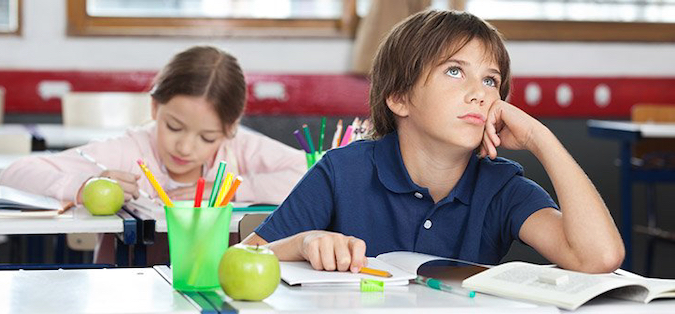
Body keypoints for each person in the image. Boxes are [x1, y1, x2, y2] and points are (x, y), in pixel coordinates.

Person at [242, 10, 625, 274]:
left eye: (491, 81)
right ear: (400, 98)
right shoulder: (343, 170)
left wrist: (541, 139)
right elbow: (242, 260)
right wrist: (304, 243)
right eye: (455, 71)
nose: (479, 93)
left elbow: (600, 256)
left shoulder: (502, 187)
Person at [0, 46, 307, 264]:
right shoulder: (129, 149)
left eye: (207, 137)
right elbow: (14, 174)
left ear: (230, 129)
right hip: (126, 291)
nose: (186, 147)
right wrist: (85, 185)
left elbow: (312, 174)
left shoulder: (239, 149)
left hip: (216, 293)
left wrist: (236, 188)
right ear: (155, 108)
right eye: (174, 127)